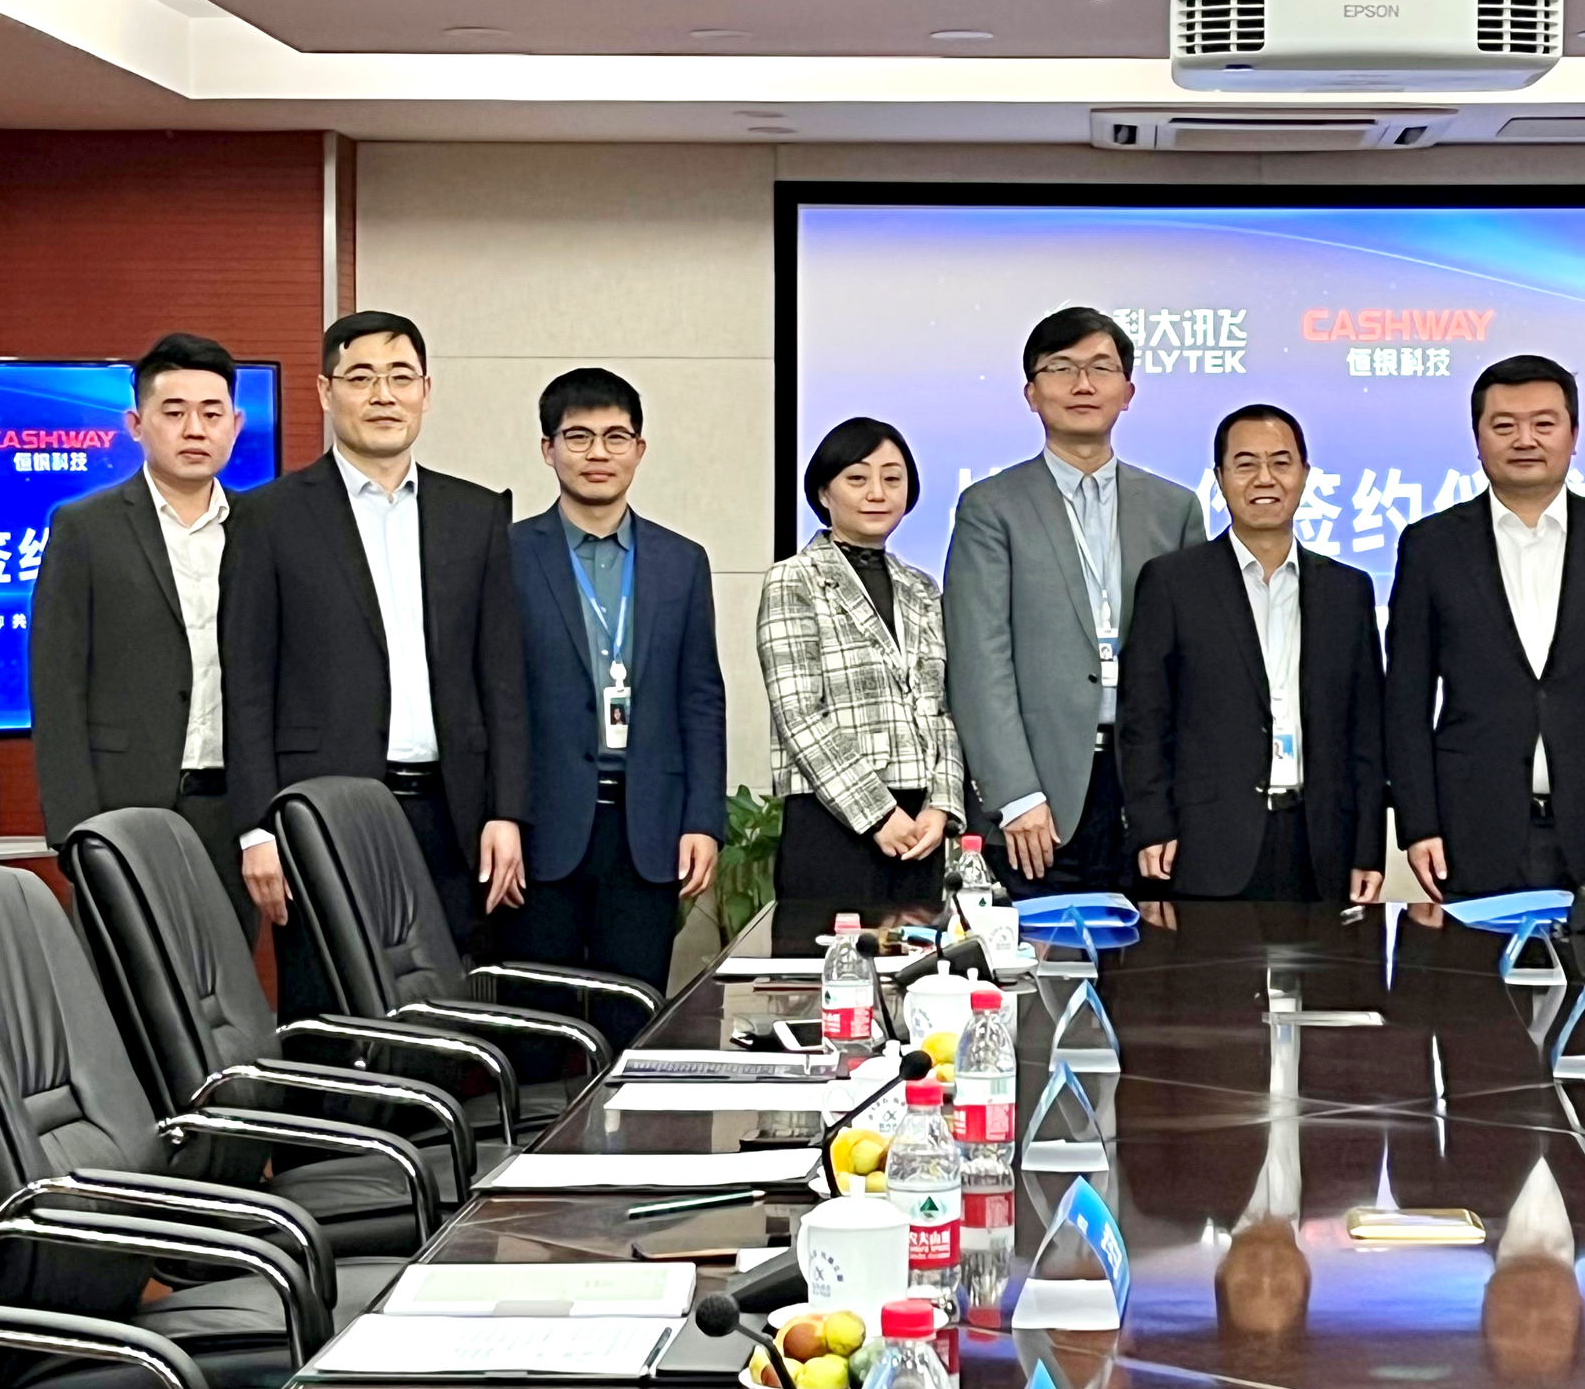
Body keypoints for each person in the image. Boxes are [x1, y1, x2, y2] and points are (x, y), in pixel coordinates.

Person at [222, 310, 527, 1016]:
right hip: (318, 814)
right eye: (361, 378)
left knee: (443, 1018)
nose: (383, 395)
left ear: (426, 391)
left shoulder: (476, 514)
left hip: (449, 814)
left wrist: (506, 812)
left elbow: (502, 682)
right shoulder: (268, 517)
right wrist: (257, 828)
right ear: (326, 392)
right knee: (326, 1014)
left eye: (400, 377)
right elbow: (248, 686)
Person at [1385, 354, 1585, 900]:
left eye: (1544, 423)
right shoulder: (1432, 546)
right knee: (1474, 959)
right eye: (1504, 425)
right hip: (1472, 827)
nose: (1525, 440)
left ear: (1574, 434)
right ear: (1477, 439)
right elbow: (1406, 697)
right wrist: (1419, 823)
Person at [945, 307, 1207, 896]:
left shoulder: (1175, 508)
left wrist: (1180, 798)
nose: (1083, 384)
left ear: (1128, 392)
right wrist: (1015, 794)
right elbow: (979, 662)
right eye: (1062, 368)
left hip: (1147, 794)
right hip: (1039, 801)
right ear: (1031, 394)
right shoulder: (991, 507)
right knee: (1039, 954)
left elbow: (1194, 667)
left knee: (1158, 952)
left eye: (1100, 368)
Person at [508, 368, 724, 1035]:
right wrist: (499, 817)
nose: (597, 453)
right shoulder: (507, 554)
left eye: (615, 437)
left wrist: (703, 820)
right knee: (534, 1031)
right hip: (540, 829)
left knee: (630, 1022)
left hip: (647, 829)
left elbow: (701, 698)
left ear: (639, 449)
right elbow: (491, 700)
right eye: (578, 437)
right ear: (548, 449)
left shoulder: (681, 562)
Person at [31, 332, 256, 941]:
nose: (194, 429)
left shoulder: (263, 529)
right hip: (121, 808)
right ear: (136, 424)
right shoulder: (85, 529)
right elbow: (57, 685)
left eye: (211, 414)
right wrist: (76, 832)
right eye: (174, 412)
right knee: (127, 984)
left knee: (226, 981)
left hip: (233, 812)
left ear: (235, 425)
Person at [1117, 404, 1386, 903]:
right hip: (1205, 844)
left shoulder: (1347, 590)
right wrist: (1151, 825)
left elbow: (1366, 731)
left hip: (1319, 843)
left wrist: (1368, 847)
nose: (1265, 478)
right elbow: (1144, 720)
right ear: (1220, 478)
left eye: (1281, 463)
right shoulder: (1173, 583)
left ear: (1305, 474)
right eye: (1245, 464)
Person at [759, 417, 964, 907]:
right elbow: (799, 714)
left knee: (920, 955)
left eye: (892, 479)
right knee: (826, 956)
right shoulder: (794, 579)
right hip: (833, 816)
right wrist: (877, 814)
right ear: (823, 492)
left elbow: (944, 708)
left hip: (921, 825)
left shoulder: (922, 587)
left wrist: (941, 806)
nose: (877, 493)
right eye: (857, 478)